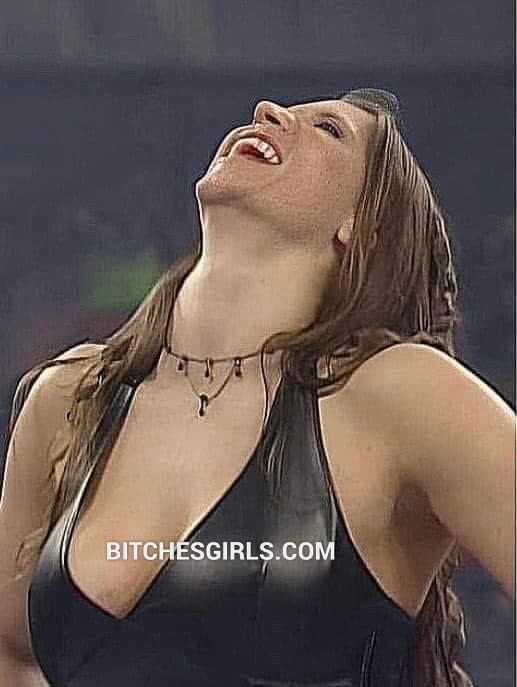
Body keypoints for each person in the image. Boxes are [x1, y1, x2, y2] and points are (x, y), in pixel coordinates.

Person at [0, 88, 514, 686]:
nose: (268, 111)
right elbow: (12, 652)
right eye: (278, 112)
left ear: (365, 226)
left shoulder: (400, 394)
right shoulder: (70, 398)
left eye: (328, 130)